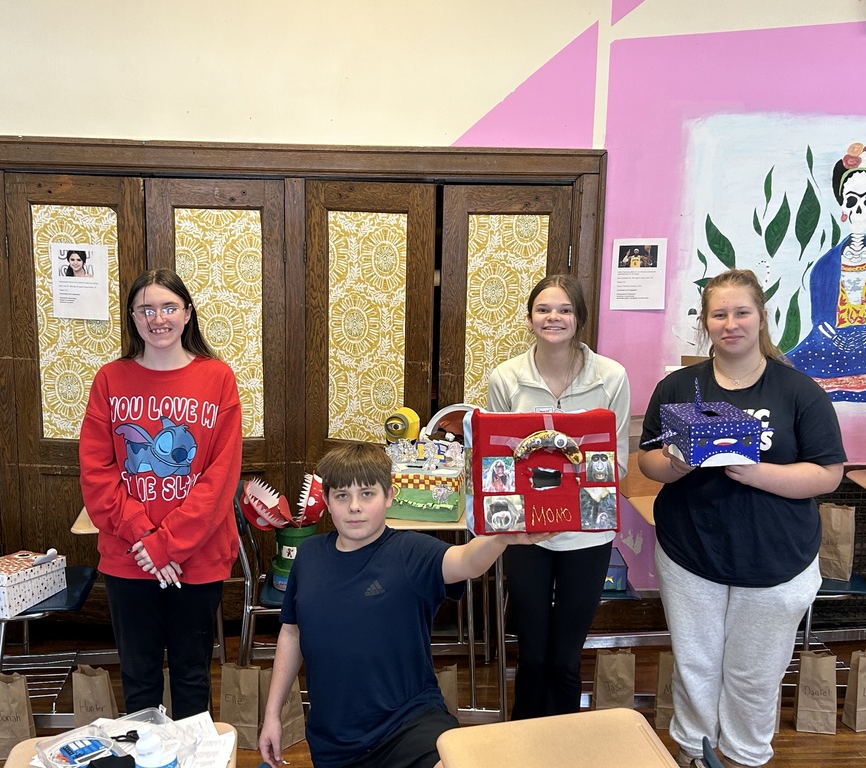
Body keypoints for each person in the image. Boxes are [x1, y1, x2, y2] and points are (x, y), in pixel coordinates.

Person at [639, 268, 845, 768]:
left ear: (761, 317)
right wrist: (675, 463)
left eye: (741, 312)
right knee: (695, 666)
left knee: (755, 674)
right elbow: (646, 463)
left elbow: (828, 475)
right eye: (719, 314)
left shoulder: (798, 390)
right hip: (692, 555)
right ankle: (694, 753)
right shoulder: (678, 387)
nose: (731, 323)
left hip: (776, 562)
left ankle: (746, 757)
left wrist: (754, 473)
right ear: (706, 322)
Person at [258, 442, 553, 768]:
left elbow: (467, 561)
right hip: (334, 741)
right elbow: (292, 632)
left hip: (409, 725)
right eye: (342, 495)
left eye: (367, 494)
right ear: (327, 501)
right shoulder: (310, 556)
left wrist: (502, 537)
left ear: (389, 495)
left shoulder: (411, 552)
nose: (354, 506)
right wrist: (272, 714)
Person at [79, 268, 242, 719]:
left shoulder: (218, 379)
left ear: (187, 314)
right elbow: (97, 474)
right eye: (146, 309)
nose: (158, 318)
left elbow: (219, 477)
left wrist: (165, 543)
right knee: (139, 676)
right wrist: (145, 540)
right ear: (132, 318)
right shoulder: (110, 380)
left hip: (199, 557)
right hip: (130, 559)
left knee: (192, 674)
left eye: (168, 307)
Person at [485, 273, 631, 720]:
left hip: (587, 535)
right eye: (544, 309)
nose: (554, 317)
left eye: (565, 309)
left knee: (566, 658)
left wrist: (565, 484)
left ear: (579, 318)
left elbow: (618, 462)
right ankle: (522, 743)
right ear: (530, 319)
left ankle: (565, 745)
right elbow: (497, 463)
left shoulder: (611, 377)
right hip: (526, 534)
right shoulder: (506, 378)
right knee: (531, 655)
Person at [786, 142, 866, 402]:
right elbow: (820, 323)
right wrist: (837, 339)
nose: (859, 208)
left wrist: (864, 338)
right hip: (828, 346)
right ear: (843, 208)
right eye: (852, 200)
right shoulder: (824, 266)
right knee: (784, 371)